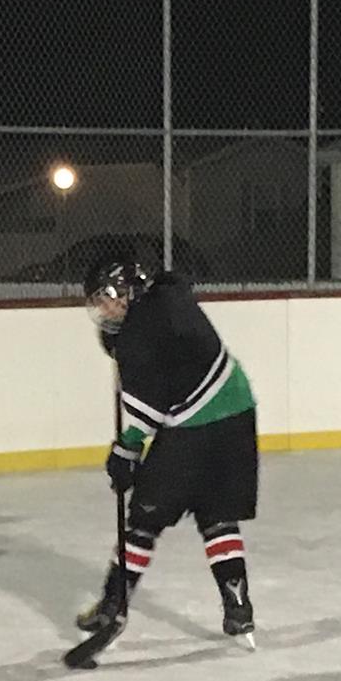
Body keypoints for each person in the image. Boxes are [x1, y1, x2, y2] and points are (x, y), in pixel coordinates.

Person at [77, 250, 260, 645]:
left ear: (125, 291)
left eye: (105, 299)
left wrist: (125, 452)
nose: (103, 309)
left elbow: (148, 410)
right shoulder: (169, 297)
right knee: (216, 513)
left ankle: (113, 604)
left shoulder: (136, 332)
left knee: (144, 518)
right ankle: (238, 607)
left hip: (194, 425)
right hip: (238, 413)